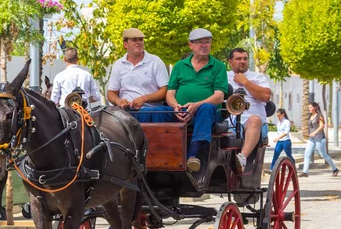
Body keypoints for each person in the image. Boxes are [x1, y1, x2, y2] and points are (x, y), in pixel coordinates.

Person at [166, 28, 228, 172]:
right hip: (179, 111)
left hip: (207, 113)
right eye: (200, 42)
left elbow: (219, 96)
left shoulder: (218, 66)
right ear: (190, 45)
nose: (204, 45)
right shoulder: (179, 66)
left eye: (207, 42)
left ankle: (192, 156)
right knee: (152, 112)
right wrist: (176, 107)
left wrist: (196, 105)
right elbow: (170, 93)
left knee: (205, 108)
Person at [107, 28, 173, 123]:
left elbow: (164, 90)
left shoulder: (155, 61)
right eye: (134, 40)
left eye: (141, 39)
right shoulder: (118, 64)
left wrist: (144, 99)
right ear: (125, 44)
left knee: (145, 112)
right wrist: (119, 101)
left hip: (153, 111)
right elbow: (111, 94)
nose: (139, 42)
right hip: (127, 112)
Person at [226, 48, 272, 173]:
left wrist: (245, 82)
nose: (242, 61)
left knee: (255, 119)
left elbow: (266, 96)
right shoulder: (224, 77)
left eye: (245, 59)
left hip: (252, 122)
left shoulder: (258, 77)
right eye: (238, 59)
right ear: (230, 62)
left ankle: (242, 158)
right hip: (228, 120)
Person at [301, 102, 339, 177]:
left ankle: (335, 169)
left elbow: (322, 126)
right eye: (308, 107)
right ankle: (305, 172)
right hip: (311, 138)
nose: (309, 109)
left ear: (315, 107)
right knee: (307, 153)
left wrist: (315, 132)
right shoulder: (310, 116)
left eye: (310, 107)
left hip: (319, 138)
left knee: (323, 155)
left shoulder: (319, 116)